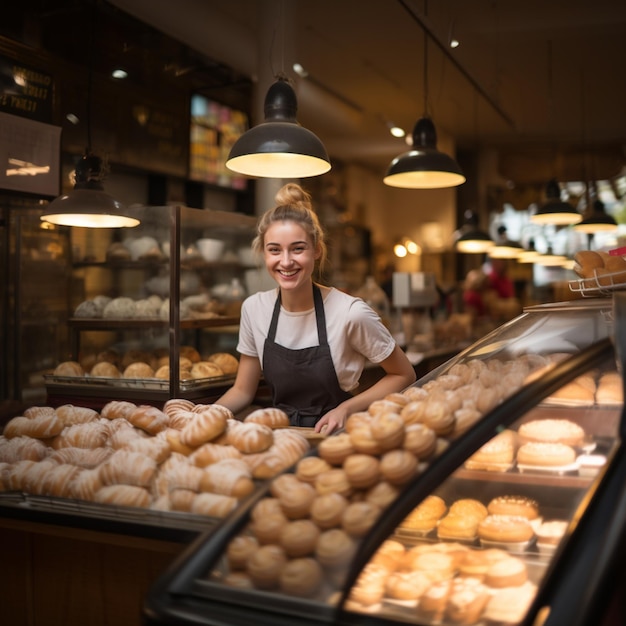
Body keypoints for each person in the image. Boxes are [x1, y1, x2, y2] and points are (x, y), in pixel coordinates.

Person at [214, 183, 416, 435]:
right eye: (274, 250)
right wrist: (208, 415)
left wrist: (347, 409)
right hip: (279, 440)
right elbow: (243, 390)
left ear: (317, 250)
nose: (286, 262)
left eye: (298, 248)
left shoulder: (350, 313)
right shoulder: (254, 309)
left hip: (337, 439)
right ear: (263, 253)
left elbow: (404, 374)